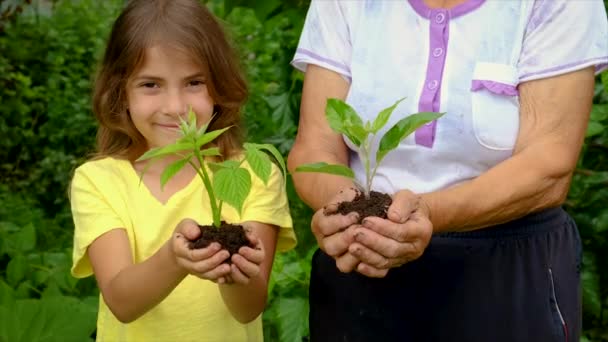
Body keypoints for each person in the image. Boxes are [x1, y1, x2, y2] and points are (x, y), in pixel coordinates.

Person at [288, 0, 608, 341]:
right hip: (363, 259)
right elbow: (315, 146)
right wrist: (344, 212)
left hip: (504, 269)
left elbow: (549, 165)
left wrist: (425, 213)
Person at [69, 1, 296, 341]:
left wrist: (236, 272)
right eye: (151, 85)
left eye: (194, 83)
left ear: (220, 87)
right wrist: (175, 259)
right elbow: (122, 302)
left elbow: (249, 308)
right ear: (121, 93)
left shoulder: (253, 173)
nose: (175, 107)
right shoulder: (99, 180)